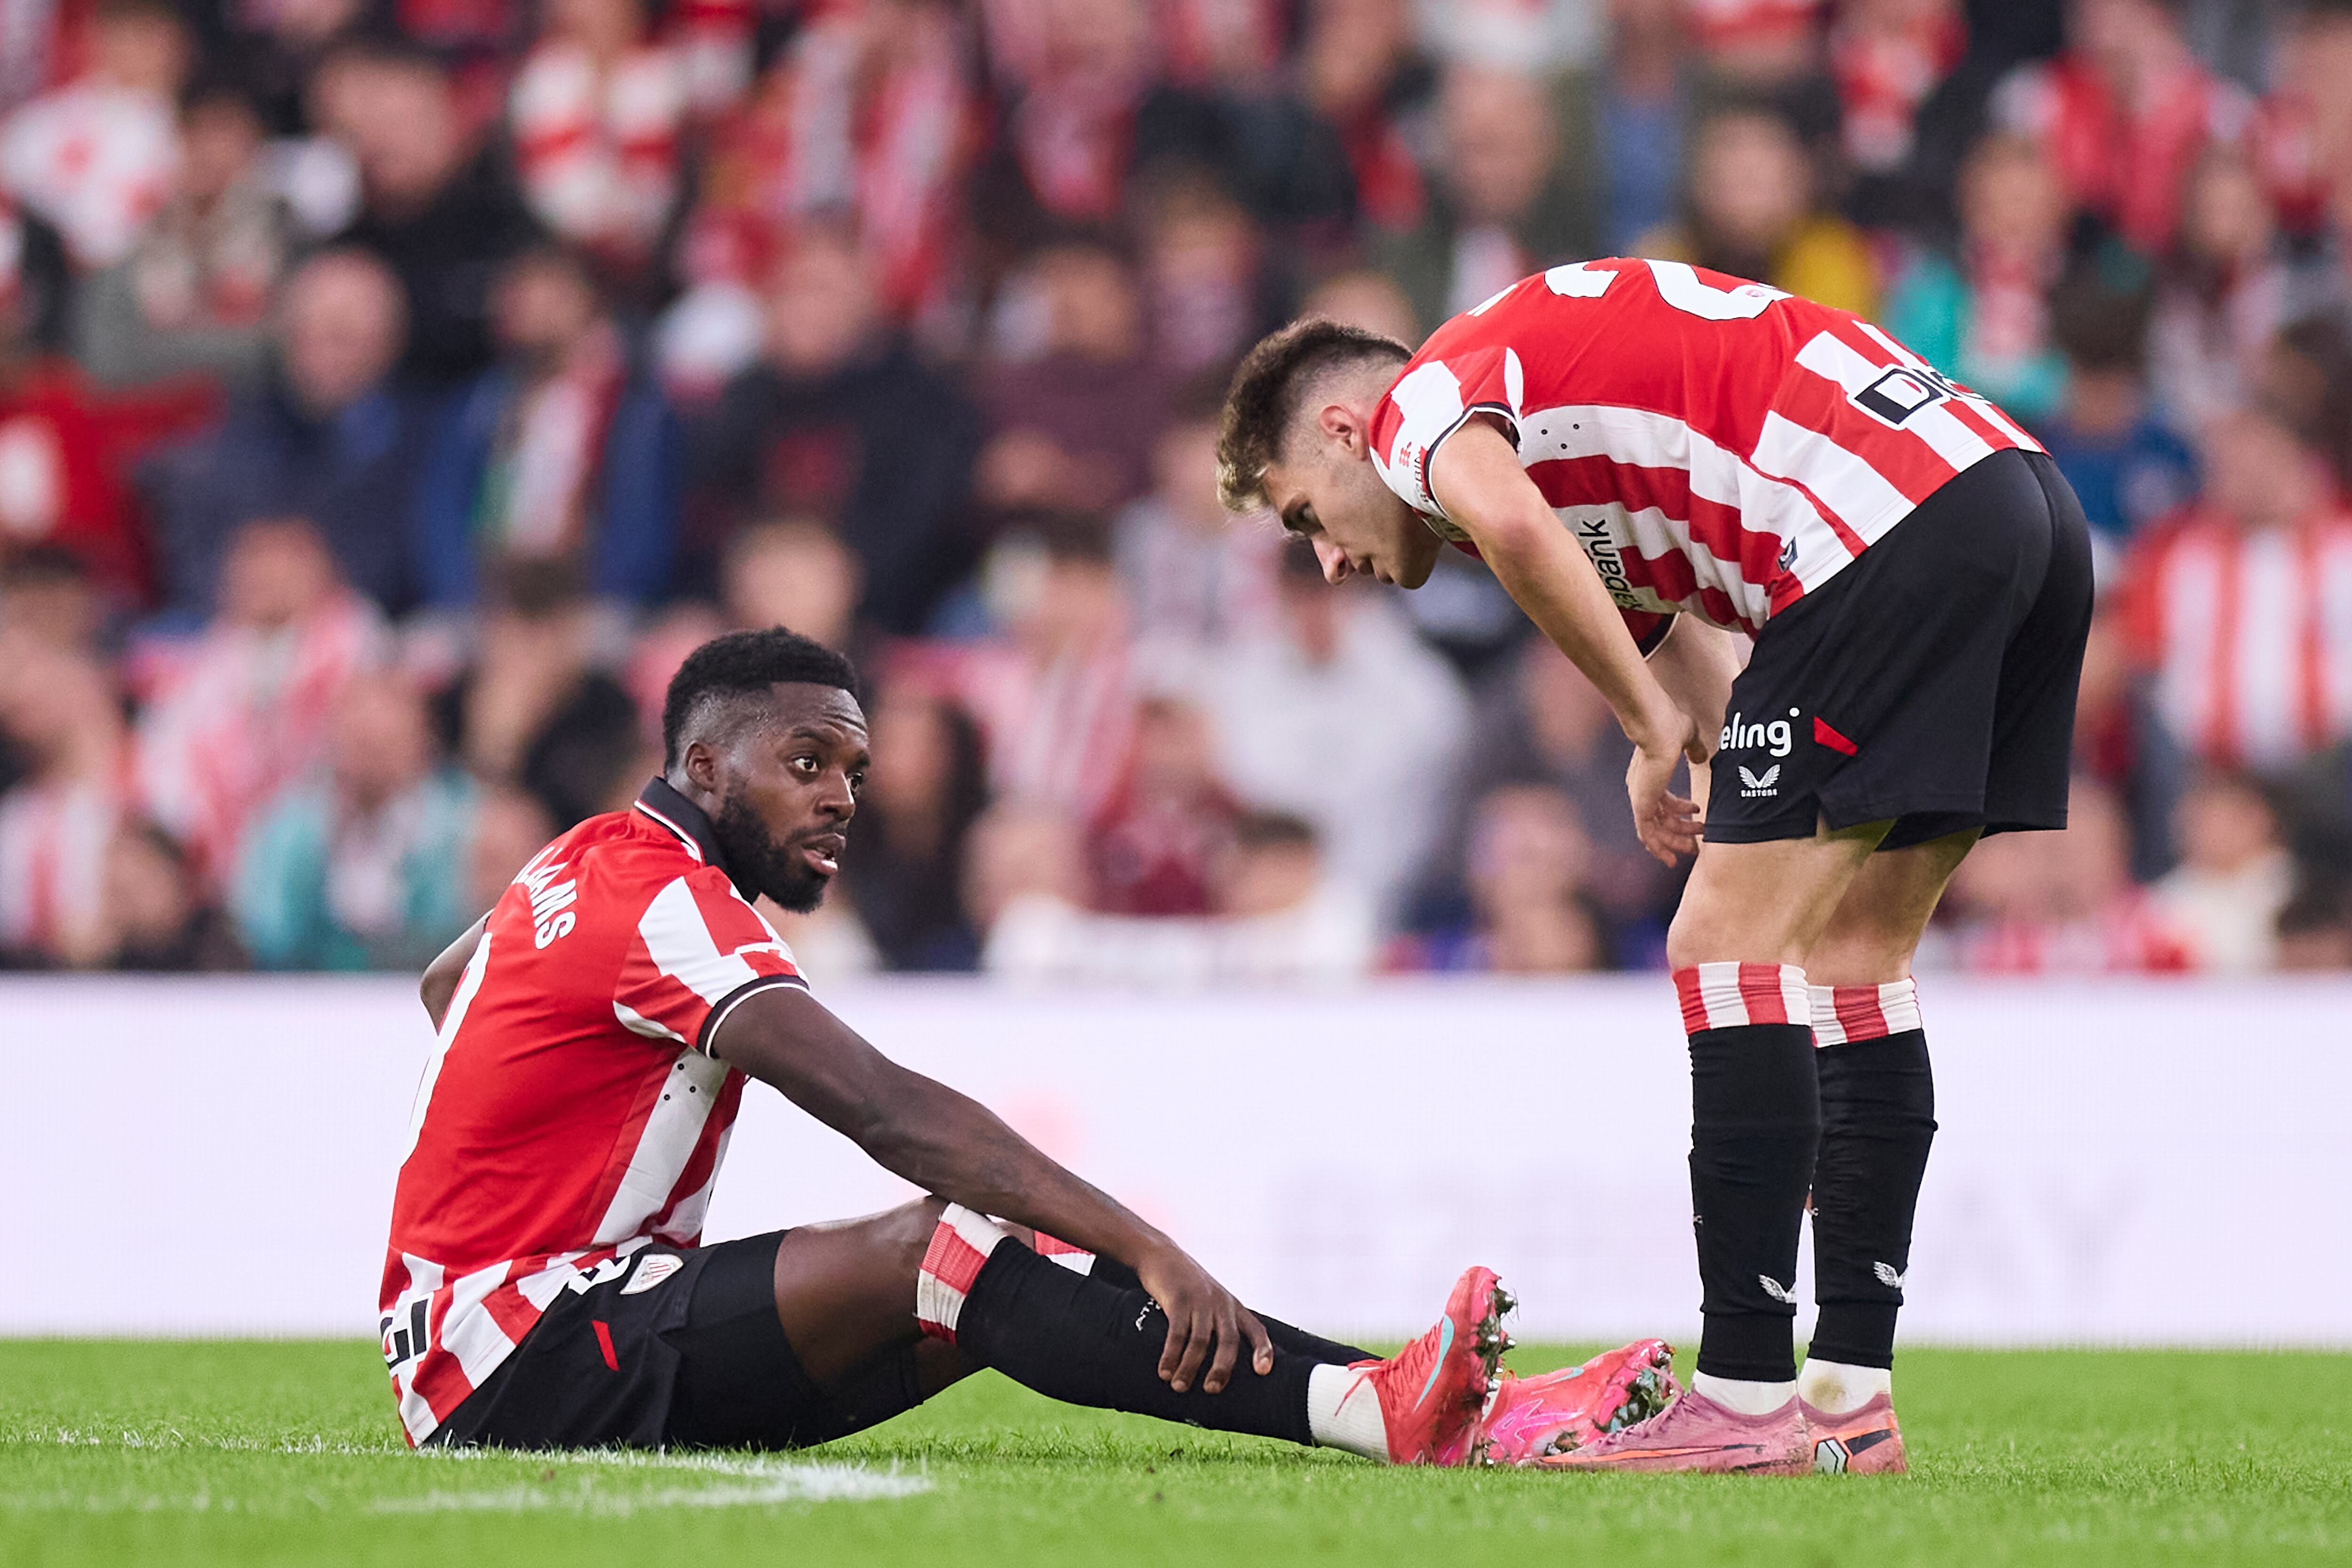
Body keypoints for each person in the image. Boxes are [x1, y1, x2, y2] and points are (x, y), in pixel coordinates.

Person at [385, 625, 1666, 1463]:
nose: (841, 794)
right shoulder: (665, 903)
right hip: (526, 1350)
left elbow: (456, 987)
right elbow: (883, 1109)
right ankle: (1386, 1417)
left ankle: (1400, 1403)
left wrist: (541, 1122)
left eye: (855, 767)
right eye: (807, 760)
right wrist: (1150, 1242)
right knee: (957, 1242)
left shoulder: (587, 860)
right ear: (709, 766)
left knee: (1008, 1260)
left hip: (511, 1331)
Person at [1216, 255, 2094, 1473]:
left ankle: (1738, 1398)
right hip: (2013, 505)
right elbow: (1670, 634)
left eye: (1304, 514)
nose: (1328, 561)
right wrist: (1672, 735)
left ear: (1341, 429)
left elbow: (1521, 533)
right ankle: (1851, 1398)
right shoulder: (1547, 434)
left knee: (1722, 946)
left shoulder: (1421, 410)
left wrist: (1639, 727)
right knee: (1852, 958)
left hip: (1875, 529)